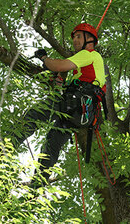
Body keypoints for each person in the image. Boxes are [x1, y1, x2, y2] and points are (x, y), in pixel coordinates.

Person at [13, 23, 106, 186]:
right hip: (78, 113)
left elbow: (59, 65)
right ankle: (38, 182)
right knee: (51, 143)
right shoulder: (83, 68)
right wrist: (59, 83)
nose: (75, 41)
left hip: (75, 105)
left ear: (90, 39)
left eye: (78, 36)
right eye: (74, 37)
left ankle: (3, 148)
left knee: (35, 114)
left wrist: (44, 58)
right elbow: (72, 86)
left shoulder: (90, 54)